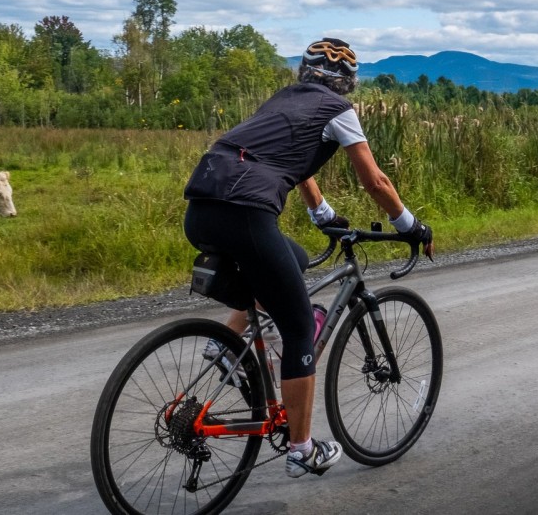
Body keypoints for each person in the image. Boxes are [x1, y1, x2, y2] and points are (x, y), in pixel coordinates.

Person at [182, 37, 434, 478]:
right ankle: (301, 449)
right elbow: (375, 181)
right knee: (299, 326)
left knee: (292, 260)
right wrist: (410, 226)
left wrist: (324, 215)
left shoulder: (284, 100)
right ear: (348, 83)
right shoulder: (339, 110)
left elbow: (293, 164)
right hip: (246, 212)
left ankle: (226, 345)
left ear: (304, 71)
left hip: (201, 210)